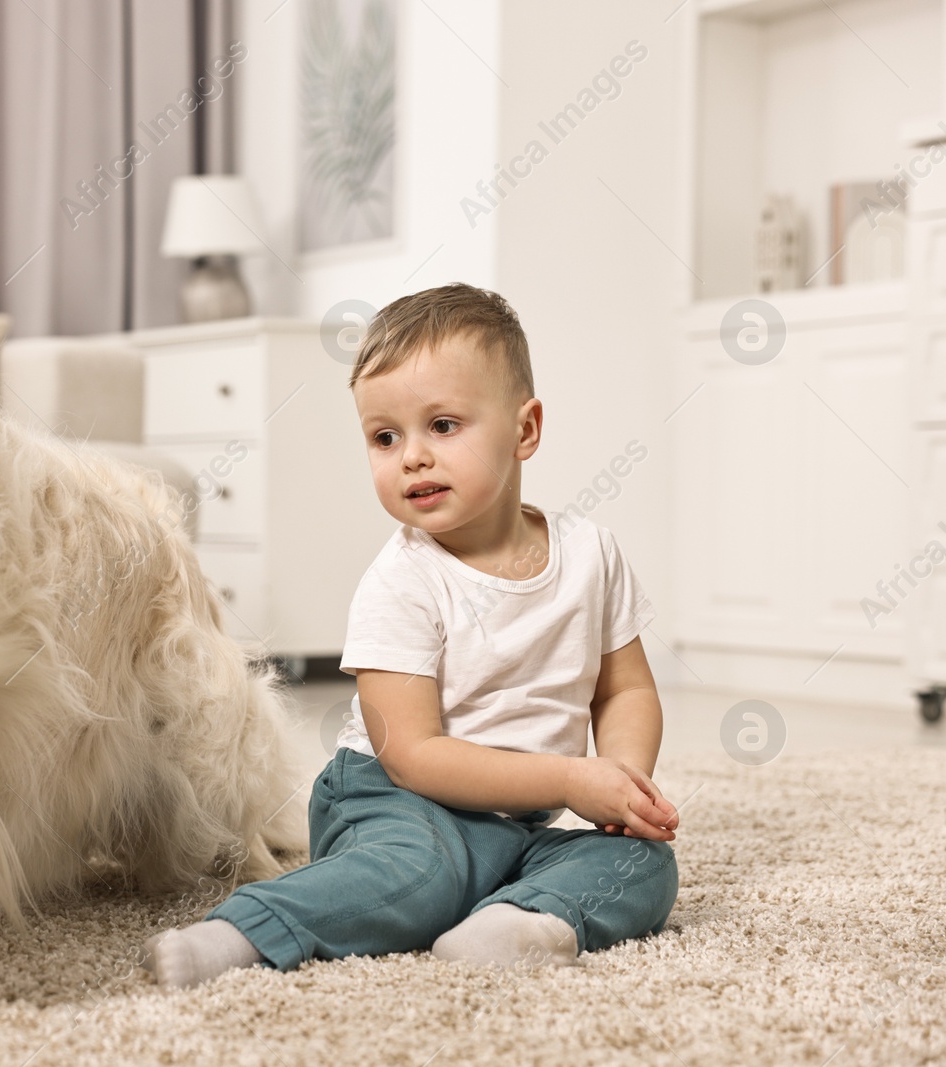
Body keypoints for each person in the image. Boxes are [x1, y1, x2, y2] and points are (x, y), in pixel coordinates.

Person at [142, 282, 680, 988]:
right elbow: (415, 755)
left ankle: (518, 920)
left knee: (646, 865)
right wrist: (571, 777)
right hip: (395, 797)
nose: (412, 457)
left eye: (444, 425)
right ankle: (241, 931)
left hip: (516, 817)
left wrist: (621, 781)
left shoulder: (593, 555)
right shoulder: (402, 582)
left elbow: (626, 687)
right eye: (385, 437)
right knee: (423, 872)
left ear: (525, 429)